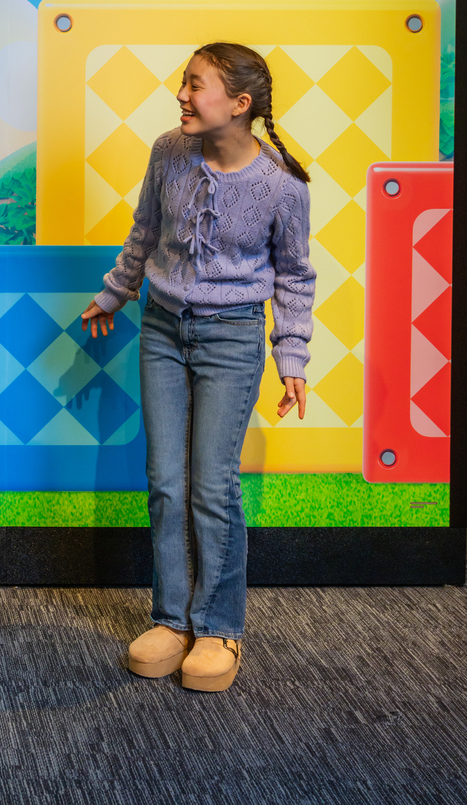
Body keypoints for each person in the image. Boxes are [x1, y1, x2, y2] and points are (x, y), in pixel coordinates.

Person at [82, 43, 315, 693]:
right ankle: (171, 620)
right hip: (161, 328)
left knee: (213, 487)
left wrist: (292, 356)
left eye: (195, 85)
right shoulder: (168, 151)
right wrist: (115, 293)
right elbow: (144, 232)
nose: (181, 95)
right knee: (165, 481)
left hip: (232, 337)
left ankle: (218, 628)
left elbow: (295, 276)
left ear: (239, 104)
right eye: (183, 83)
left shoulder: (282, 185)